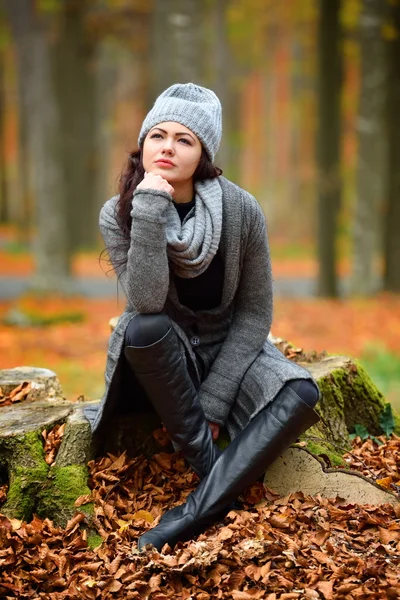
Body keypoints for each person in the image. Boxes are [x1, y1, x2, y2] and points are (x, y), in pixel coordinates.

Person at [85, 83, 320, 552]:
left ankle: (198, 509)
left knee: (301, 390)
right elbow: (147, 303)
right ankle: (213, 472)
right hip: (161, 356)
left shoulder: (241, 210)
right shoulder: (120, 213)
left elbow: (255, 313)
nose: (168, 148)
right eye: (158, 135)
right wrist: (151, 208)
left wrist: (214, 399)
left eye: (184, 140)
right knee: (143, 327)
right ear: (143, 142)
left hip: (228, 345)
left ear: (204, 153)